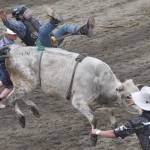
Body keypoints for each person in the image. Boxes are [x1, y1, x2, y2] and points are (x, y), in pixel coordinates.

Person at [0, 5, 95, 48]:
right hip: (40, 47)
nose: (29, 12)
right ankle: (54, 21)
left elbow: (45, 29)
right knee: (42, 31)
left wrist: (53, 35)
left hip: (51, 40)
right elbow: (10, 25)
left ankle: (84, 30)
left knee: (65, 27)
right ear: (20, 16)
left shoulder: (34, 19)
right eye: (26, 12)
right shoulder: (20, 26)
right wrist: (5, 19)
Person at [0, 28, 17, 108]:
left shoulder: (6, 41)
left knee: (3, 81)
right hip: (5, 66)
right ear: (8, 35)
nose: (15, 36)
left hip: (3, 65)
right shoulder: (6, 45)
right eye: (13, 35)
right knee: (9, 86)